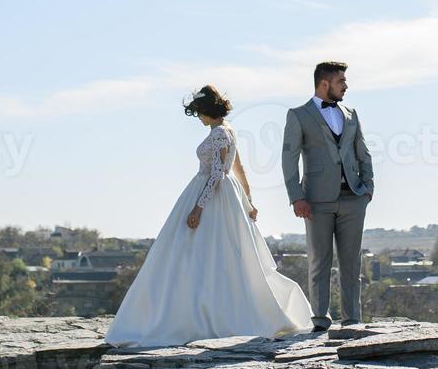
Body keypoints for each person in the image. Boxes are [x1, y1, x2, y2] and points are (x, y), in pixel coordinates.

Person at [105, 85, 313, 347]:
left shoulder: (218, 134)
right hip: (228, 196)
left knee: (199, 253)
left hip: (213, 195)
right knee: (225, 256)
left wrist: (198, 208)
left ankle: (199, 316)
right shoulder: (229, 131)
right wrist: (248, 201)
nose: (199, 119)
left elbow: (218, 173)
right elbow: (239, 169)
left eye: (199, 113)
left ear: (206, 111)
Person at [281, 61, 374, 331]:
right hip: (315, 202)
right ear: (325, 84)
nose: (346, 85)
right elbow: (289, 159)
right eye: (341, 81)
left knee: (351, 264)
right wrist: (296, 196)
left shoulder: (351, 113)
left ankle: (352, 321)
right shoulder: (298, 115)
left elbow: (362, 151)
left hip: (353, 198)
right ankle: (320, 321)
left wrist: (368, 187)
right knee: (319, 262)